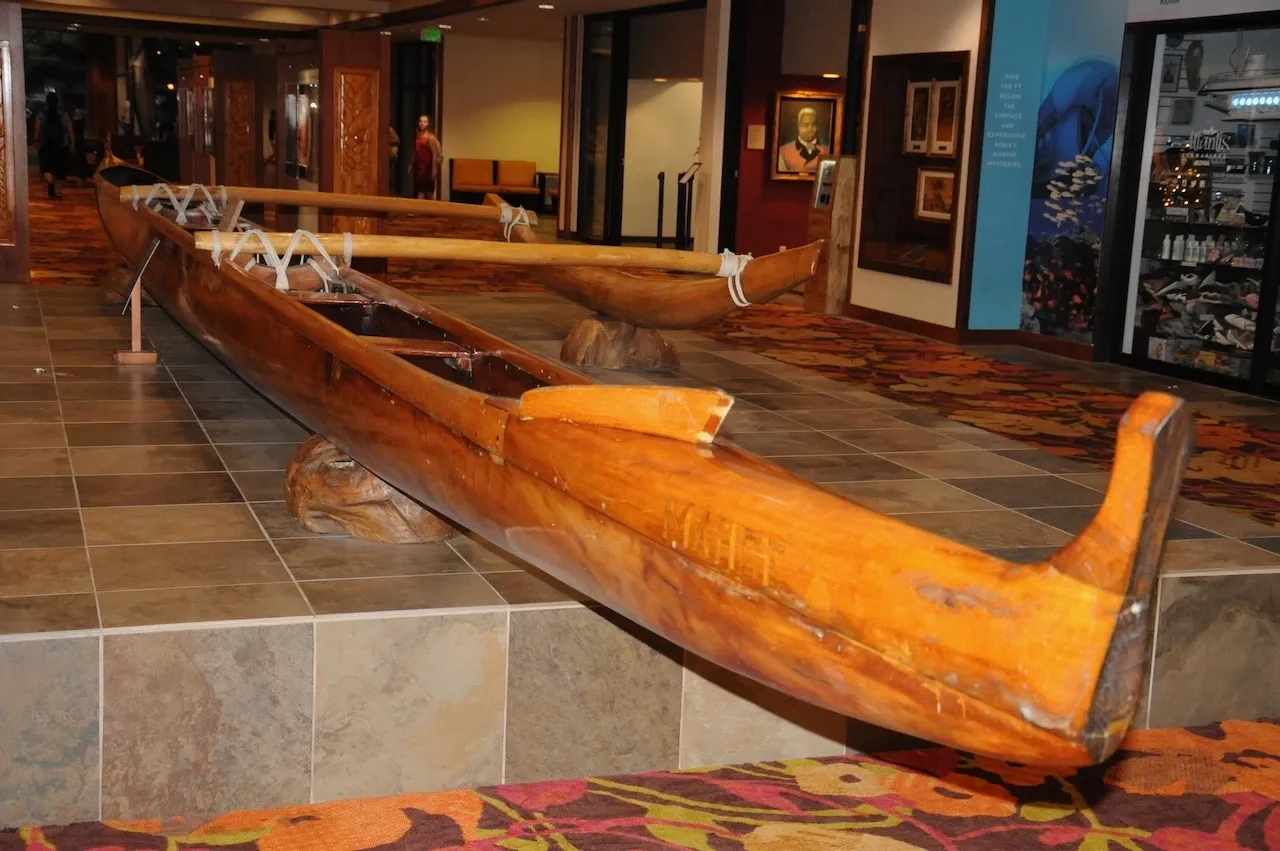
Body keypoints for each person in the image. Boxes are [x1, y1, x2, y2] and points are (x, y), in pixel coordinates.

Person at [33, 91, 74, 199]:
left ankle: (51, 188)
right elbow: (69, 130)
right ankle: (55, 190)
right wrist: (72, 143)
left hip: (46, 145)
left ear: (46, 101)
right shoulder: (64, 115)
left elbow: (37, 129)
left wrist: (36, 140)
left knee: (47, 167)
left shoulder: (41, 114)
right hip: (61, 145)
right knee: (58, 167)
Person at [776, 106, 828, 174]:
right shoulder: (783, 152)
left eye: (813, 125)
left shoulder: (827, 151)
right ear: (798, 126)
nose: (810, 129)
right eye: (806, 125)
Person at [411, 114, 441, 199]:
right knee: (424, 191)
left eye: (425, 121)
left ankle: (420, 211)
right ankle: (428, 211)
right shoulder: (417, 136)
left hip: (428, 167)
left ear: (428, 124)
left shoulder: (430, 137)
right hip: (420, 167)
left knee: (425, 192)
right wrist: (411, 165)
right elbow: (416, 151)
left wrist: (434, 169)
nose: (422, 123)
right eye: (420, 121)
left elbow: (434, 154)